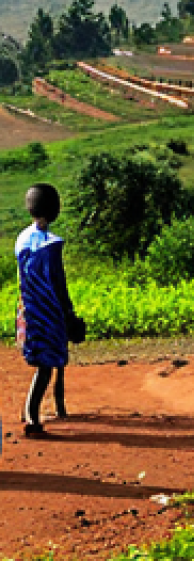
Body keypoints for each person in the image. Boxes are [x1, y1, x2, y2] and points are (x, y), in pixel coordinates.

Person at [15, 183, 85, 439]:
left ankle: (49, 407)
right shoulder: (51, 244)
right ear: (55, 209)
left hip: (28, 308)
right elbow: (58, 280)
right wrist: (68, 311)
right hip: (48, 310)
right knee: (47, 365)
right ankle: (33, 416)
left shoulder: (22, 239)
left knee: (44, 361)